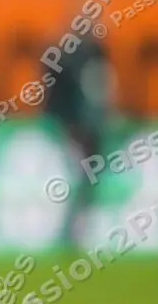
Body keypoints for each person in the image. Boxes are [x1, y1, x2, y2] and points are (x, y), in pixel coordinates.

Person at [46, 35, 116, 248]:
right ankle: (72, 230)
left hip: (78, 133)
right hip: (80, 133)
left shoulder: (80, 68)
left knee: (78, 182)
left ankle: (72, 231)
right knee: (80, 182)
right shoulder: (90, 69)